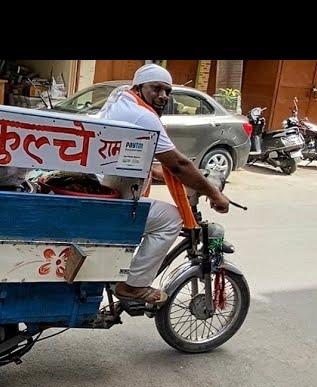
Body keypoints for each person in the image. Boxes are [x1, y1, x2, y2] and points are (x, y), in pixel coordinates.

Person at [98, 64, 230, 305]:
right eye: (156, 89)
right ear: (139, 88)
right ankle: (134, 286)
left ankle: (124, 272)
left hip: (105, 189)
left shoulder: (122, 102)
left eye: (167, 91)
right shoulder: (143, 116)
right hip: (109, 200)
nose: (163, 96)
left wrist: (161, 175)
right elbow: (178, 164)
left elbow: (133, 159)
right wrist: (214, 193)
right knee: (171, 218)